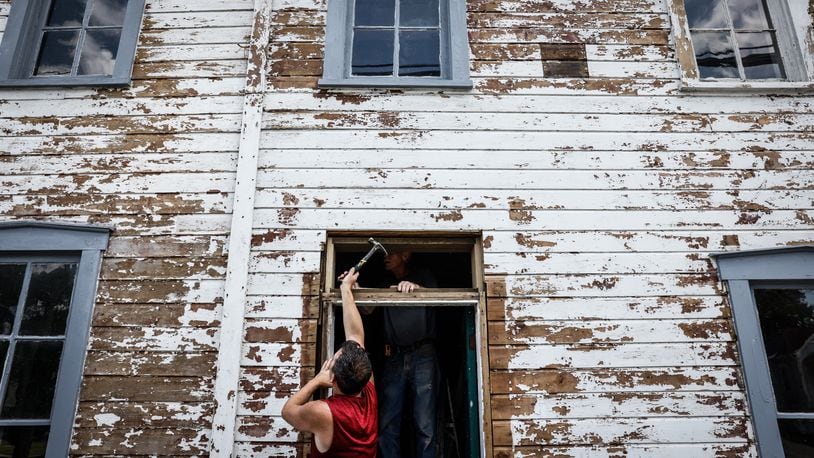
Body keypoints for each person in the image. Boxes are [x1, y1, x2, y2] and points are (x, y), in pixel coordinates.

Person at [282, 268, 377, 457]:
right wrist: (346, 289)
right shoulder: (368, 393)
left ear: (332, 379)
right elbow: (355, 337)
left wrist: (316, 381)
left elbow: (288, 411)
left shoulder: (323, 412)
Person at [377, 251, 439, 458]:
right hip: (393, 356)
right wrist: (353, 290)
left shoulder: (423, 275)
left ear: (405, 255)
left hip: (423, 354)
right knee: (387, 424)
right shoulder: (384, 280)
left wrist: (417, 289)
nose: (385, 256)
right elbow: (367, 309)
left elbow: (439, 299)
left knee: (425, 424)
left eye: (391, 252)